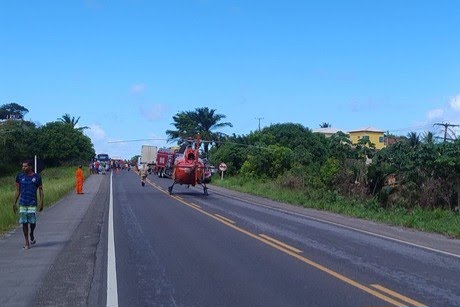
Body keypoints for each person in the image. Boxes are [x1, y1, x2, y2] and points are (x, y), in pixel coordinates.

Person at [13, 159, 44, 250]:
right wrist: (14, 203)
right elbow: (18, 190)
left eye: (25, 166)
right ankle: (26, 242)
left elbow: (41, 191)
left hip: (32, 203)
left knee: (32, 222)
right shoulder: (19, 176)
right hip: (22, 203)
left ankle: (32, 233)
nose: (23, 168)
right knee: (24, 223)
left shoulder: (37, 177)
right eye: (23, 166)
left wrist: (41, 202)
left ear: (30, 167)